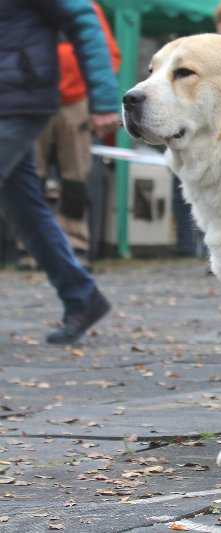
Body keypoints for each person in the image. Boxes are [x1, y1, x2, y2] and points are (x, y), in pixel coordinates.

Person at [0, 0, 118, 344]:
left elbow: (84, 21)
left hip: (19, 98)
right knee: (25, 209)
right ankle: (81, 295)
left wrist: (104, 100)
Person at [36, 1, 121, 262]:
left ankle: (76, 244)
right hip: (36, 99)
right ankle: (30, 245)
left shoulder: (88, 8)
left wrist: (96, 97)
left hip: (75, 103)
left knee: (75, 178)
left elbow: (107, 54)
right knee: (31, 177)